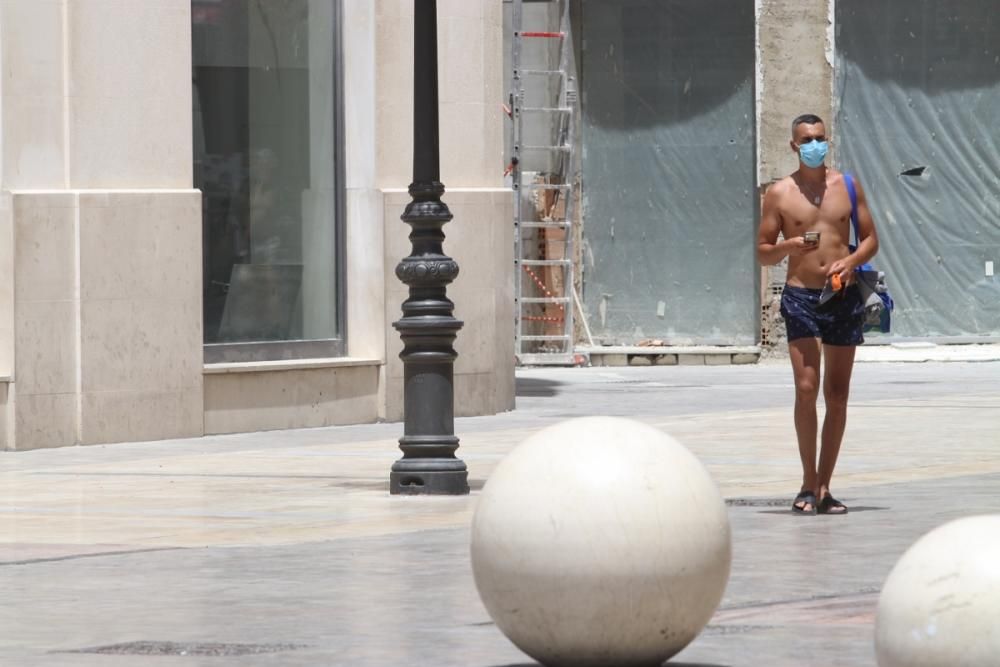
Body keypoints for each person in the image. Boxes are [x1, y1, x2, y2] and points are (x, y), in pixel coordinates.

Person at [756, 114, 880, 515]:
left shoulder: (846, 185)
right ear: (793, 146)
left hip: (841, 296)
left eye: (821, 138)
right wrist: (788, 245)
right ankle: (807, 482)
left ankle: (825, 485)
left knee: (838, 394)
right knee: (807, 388)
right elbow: (761, 251)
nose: (815, 144)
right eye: (807, 139)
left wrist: (850, 262)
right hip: (801, 297)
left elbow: (871, 240)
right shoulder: (779, 193)